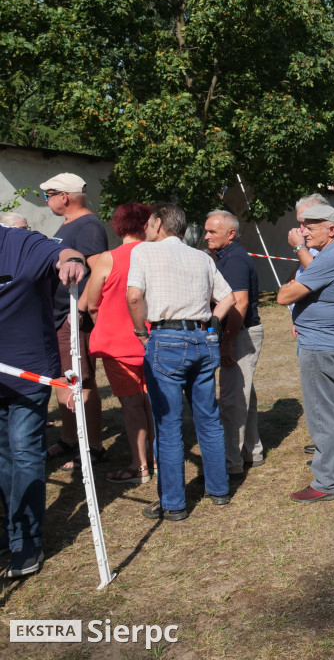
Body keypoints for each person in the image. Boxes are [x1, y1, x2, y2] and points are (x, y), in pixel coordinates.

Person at [127, 203, 236, 521]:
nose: (146, 228)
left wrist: (140, 332)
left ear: (159, 224)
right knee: (208, 418)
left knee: (169, 425)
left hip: (166, 339)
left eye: (148, 223)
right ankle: (219, 490)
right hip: (202, 340)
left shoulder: (144, 252)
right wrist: (212, 324)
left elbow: (134, 296)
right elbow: (228, 296)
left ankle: (174, 503)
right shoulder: (201, 256)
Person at [0, 225, 86, 577]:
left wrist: (73, 262)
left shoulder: (21, 243)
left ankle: (27, 542)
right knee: (2, 455)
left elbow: (64, 253)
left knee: (23, 452)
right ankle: (9, 527)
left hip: (29, 372)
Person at [277, 204, 334, 502]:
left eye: (310, 227)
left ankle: (327, 482)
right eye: (302, 226)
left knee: (321, 413)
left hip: (320, 345)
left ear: (331, 229)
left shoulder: (333, 255)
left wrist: (291, 284)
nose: (303, 232)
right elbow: (314, 277)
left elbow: (283, 296)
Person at [40, 173, 109, 471]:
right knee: (61, 378)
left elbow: (97, 271)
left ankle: (92, 446)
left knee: (81, 380)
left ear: (64, 196)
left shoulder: (88, 225)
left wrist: (78, 310)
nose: (47, 200)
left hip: (71, 317)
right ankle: (70, 438)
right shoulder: (69, 224)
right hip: (55, 315)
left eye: (48, 195)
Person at [84, 203, 155, 485]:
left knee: (131, 405)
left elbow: (92, 304)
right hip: (153, 339)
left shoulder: (106, 258)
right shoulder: (156, 254)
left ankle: (140, 466)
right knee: (153, 402)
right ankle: (158, 458)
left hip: (117, 343)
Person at [205, 210, 264, 478]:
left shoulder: (235, 260)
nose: (206, 236)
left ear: (230, 234)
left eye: (212, 232)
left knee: (232, 400)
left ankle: (231, 464)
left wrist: (226, 342)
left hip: (240, 333)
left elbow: (239, 303)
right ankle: (252, 452)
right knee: (242, 393)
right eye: (206, 231)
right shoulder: (227, 257)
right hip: (239, 333)